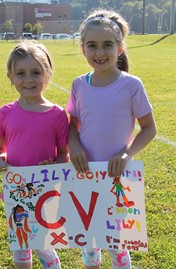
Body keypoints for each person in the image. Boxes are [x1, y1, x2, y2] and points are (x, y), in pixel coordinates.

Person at [66, 8, 156, 269]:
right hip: (83, 176)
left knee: (118, 244)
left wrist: (127, 153)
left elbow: (149, 128)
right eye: (92, 45)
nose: (99, 52)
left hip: (116, 178)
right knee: (89, 243)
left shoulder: (131, 85)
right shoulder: (78, 84)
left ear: (120, 48)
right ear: (83, 49)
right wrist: (73, 144)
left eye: (107, 45)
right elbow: (72, 125)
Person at [0, 42, 69, 269]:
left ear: (48, 74)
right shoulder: (6, 113)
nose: (29, 80)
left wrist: (53, 166)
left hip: (45, 193)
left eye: (36, 72)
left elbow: (64, 153)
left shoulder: (57, 115)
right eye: (20, 74)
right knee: (21, 248)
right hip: (15, 194)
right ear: (10, 77)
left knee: (44, 246)